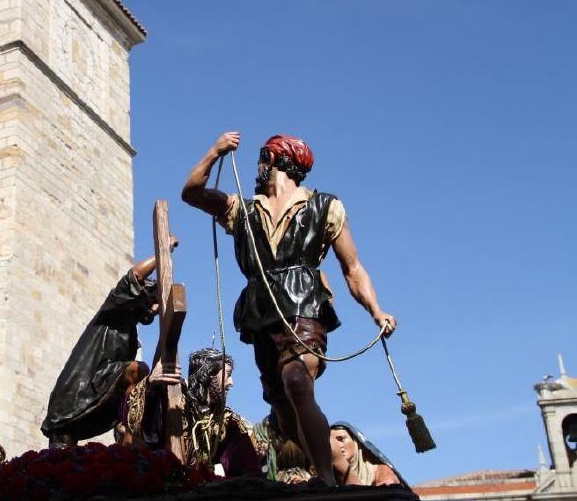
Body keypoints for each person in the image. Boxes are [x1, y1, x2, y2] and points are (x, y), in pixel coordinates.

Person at [182, 132, 397, 486]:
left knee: (297, 381)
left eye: (261, 159)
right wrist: (215, 151)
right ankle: (328, 471)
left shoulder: (325, 206)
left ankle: (326, 481)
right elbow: (191, 192)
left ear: (274, 159)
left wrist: (376, 309)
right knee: (283, 413)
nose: (257, 168)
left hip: (304, 306)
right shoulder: (244, 210)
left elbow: (353, 268)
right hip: (261, 315)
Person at [41, 237, 178, 448]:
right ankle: (132, 442)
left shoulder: (130, 330)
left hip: (91, 393)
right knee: (138, 372)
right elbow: (135, 275)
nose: (153, 310)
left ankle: (132, 441)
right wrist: (164, 252)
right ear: (139, 297)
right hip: (78, 392)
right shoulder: (116, 306)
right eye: (152, 303)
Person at [124, 348, 261, 477]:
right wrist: (151, 387)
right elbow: (143, 427)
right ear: (209, 374)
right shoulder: (174, 403)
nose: (231, 383)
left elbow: (246, 468)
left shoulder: (226, 422)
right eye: (228, 375)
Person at [330, 422, 405, 487]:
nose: (337, 446)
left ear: (356, 442)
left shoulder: (380, 471)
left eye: (341, 439)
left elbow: (388, 493)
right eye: (333, 442)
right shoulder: (330, 476)